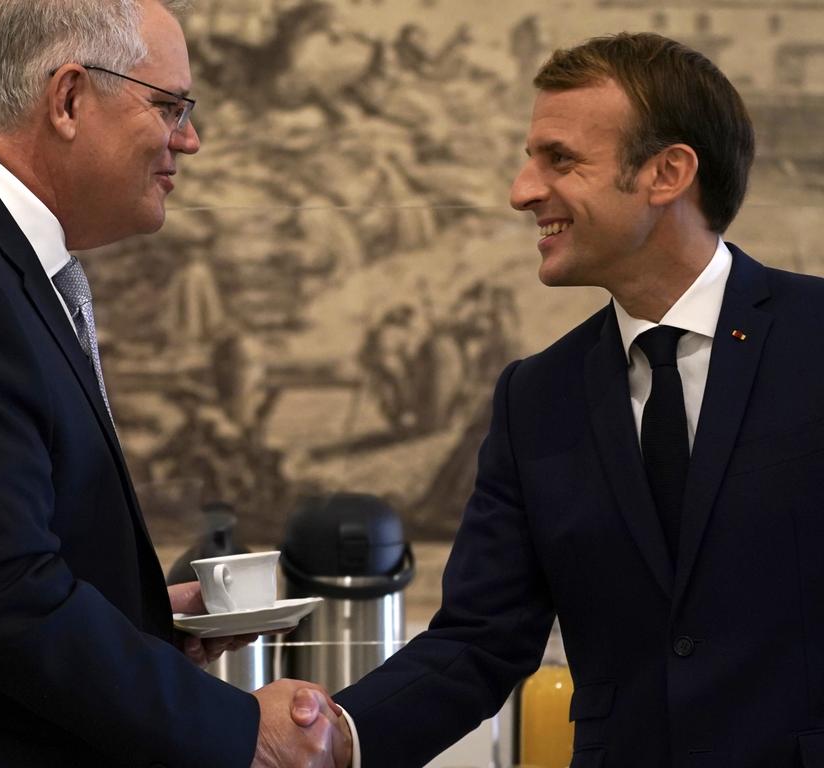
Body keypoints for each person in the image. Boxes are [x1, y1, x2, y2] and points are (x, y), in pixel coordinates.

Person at [0, 1, 349, 766]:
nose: (188, 139)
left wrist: (144, 622)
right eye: (169, 106)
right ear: (67, 99)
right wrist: (238, 732)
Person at [333, 32, 824, 767]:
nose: (522, 191)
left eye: (559, 159)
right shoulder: (534, 397)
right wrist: (329, 735)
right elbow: (480, 640)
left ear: (667, 173)